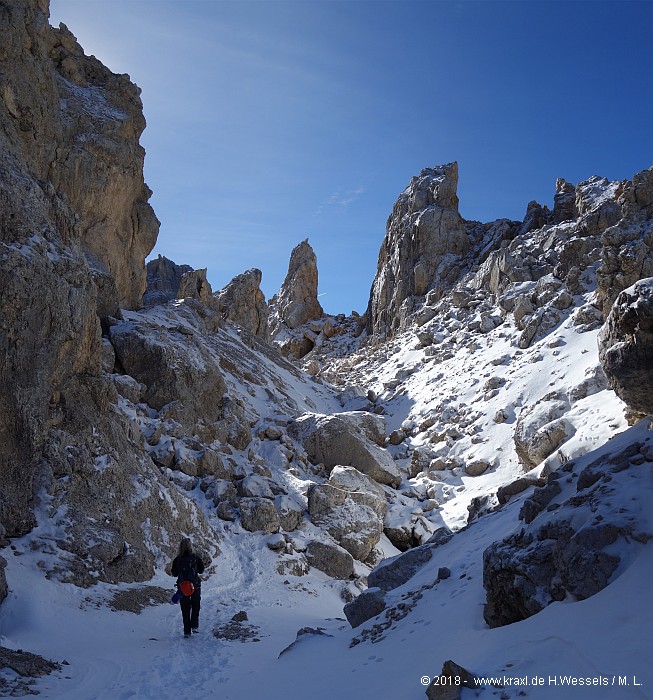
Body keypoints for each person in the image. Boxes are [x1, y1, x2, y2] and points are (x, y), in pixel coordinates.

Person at [170, 537, 205, 638]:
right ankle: (194, 626)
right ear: (191, 546)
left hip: (183, 587)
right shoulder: (196, 557)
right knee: (196, 606)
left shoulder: (177, 559)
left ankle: (187, 632)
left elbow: (174, 573)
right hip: (195, 585)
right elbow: (201, 571)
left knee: (185, 609)